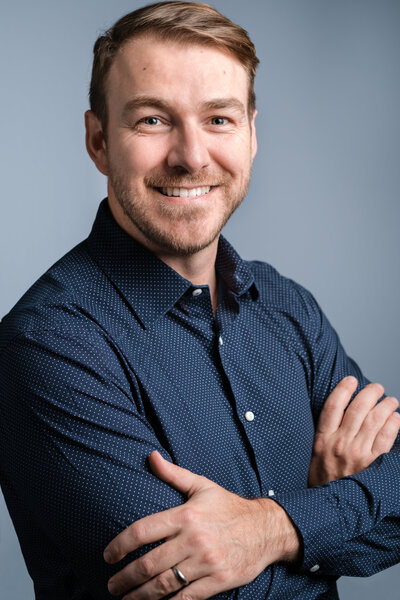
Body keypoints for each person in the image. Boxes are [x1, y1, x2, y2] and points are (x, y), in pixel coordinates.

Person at [0, 2, 399, 599]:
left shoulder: (288, 308)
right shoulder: (48, 343)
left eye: (218, 119)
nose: (191, 156)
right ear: (99, 141)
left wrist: (273, 529)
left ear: (252, 134)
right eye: (154, 121)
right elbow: (201, 592)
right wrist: (328, 515)